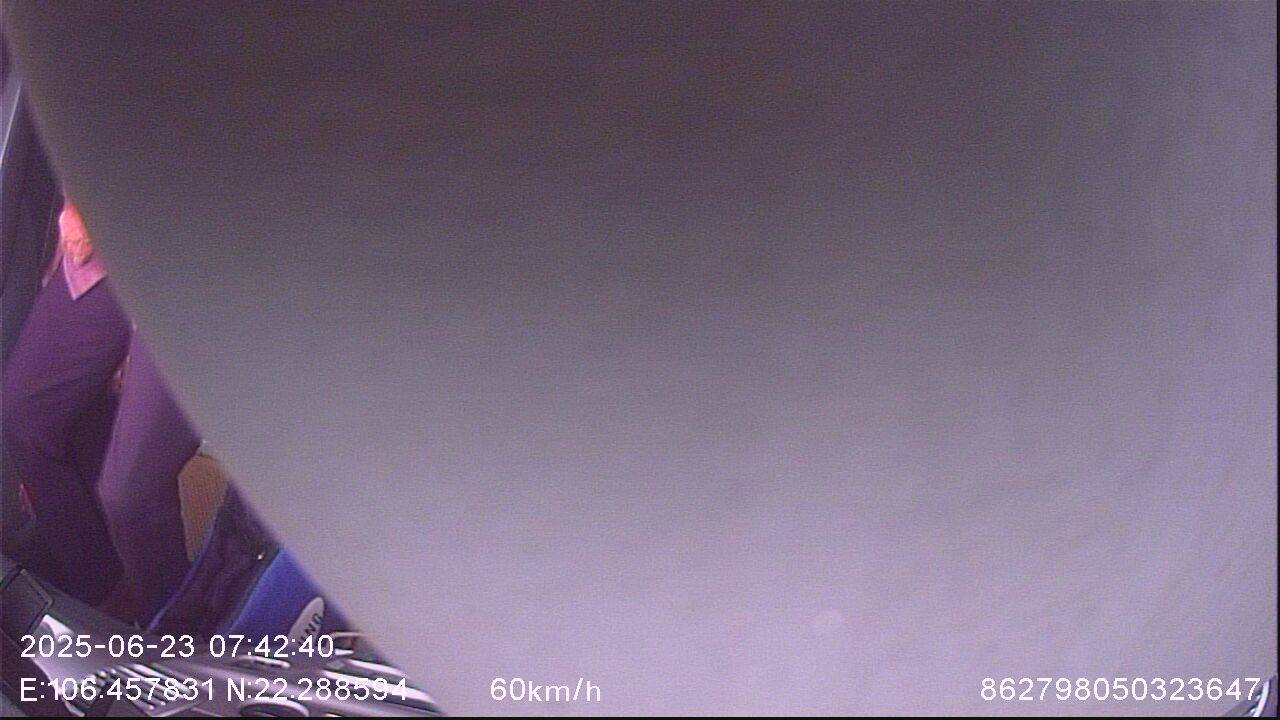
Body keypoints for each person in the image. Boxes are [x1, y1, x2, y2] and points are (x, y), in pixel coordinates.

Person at [2, 198, 192, 623]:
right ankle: (104, 592)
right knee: (25, 414)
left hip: (196, 258)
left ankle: (178, 637)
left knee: (131, 493)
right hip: (112, 235)